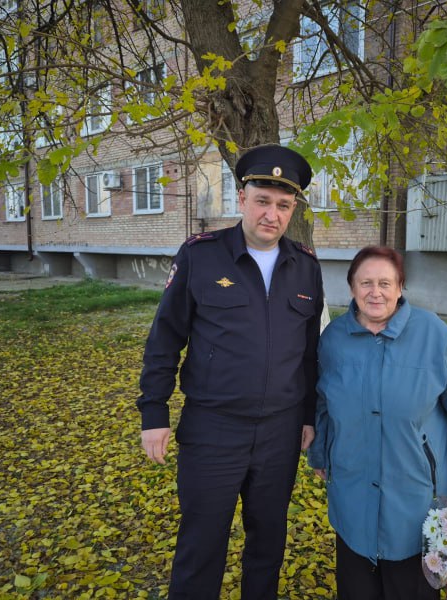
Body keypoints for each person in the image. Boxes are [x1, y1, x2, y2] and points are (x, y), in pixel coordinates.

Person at [137, 144, 324, 600]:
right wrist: (154, 413)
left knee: (268, 545)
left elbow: (309, 354)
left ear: (293, 208)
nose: (271, 214)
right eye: (263, 200)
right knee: (201, 546)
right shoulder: (202, 256)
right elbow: (165, 338)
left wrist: (308, 416)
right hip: (213, 429)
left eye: (283, 205)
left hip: (279, 434)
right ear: (242, 198)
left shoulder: (306, 268)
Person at [308, 246, 447, 600]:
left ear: (400, 287)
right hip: (352, 490)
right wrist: (320, 456)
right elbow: (323, 403)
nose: (376, 292)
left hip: (417, 497)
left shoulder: (433, 334)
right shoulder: (334, 340)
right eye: (366, 283)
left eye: (385, 283)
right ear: (352, 288)